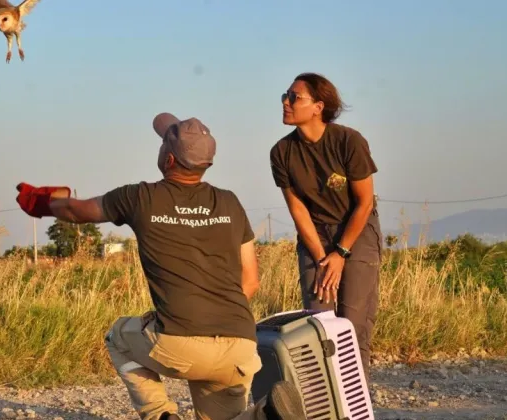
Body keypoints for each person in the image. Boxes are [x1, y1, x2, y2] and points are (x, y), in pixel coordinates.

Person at [15, 112, 306, 420]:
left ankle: (160, 415)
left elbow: (78, 211)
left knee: (118, 337)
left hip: (179, 342)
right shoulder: (229, 202)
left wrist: (45, 202)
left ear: (168, 159)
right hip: (239, 344)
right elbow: (251, 281)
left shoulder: (139, 197)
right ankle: (266, 415)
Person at [269, 72, 383, 379]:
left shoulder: (348, 141)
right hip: (315, 236)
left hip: (355, 231)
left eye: (294, 97)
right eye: (285, 95)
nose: (286, 102)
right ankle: (328, 406)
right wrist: (322, 257)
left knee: (352, 325)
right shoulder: (281, 152)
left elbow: (364, 202)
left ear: (319, 106)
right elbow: (298, 208)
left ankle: (355, 407)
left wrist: (341, 253)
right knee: (319, 325)